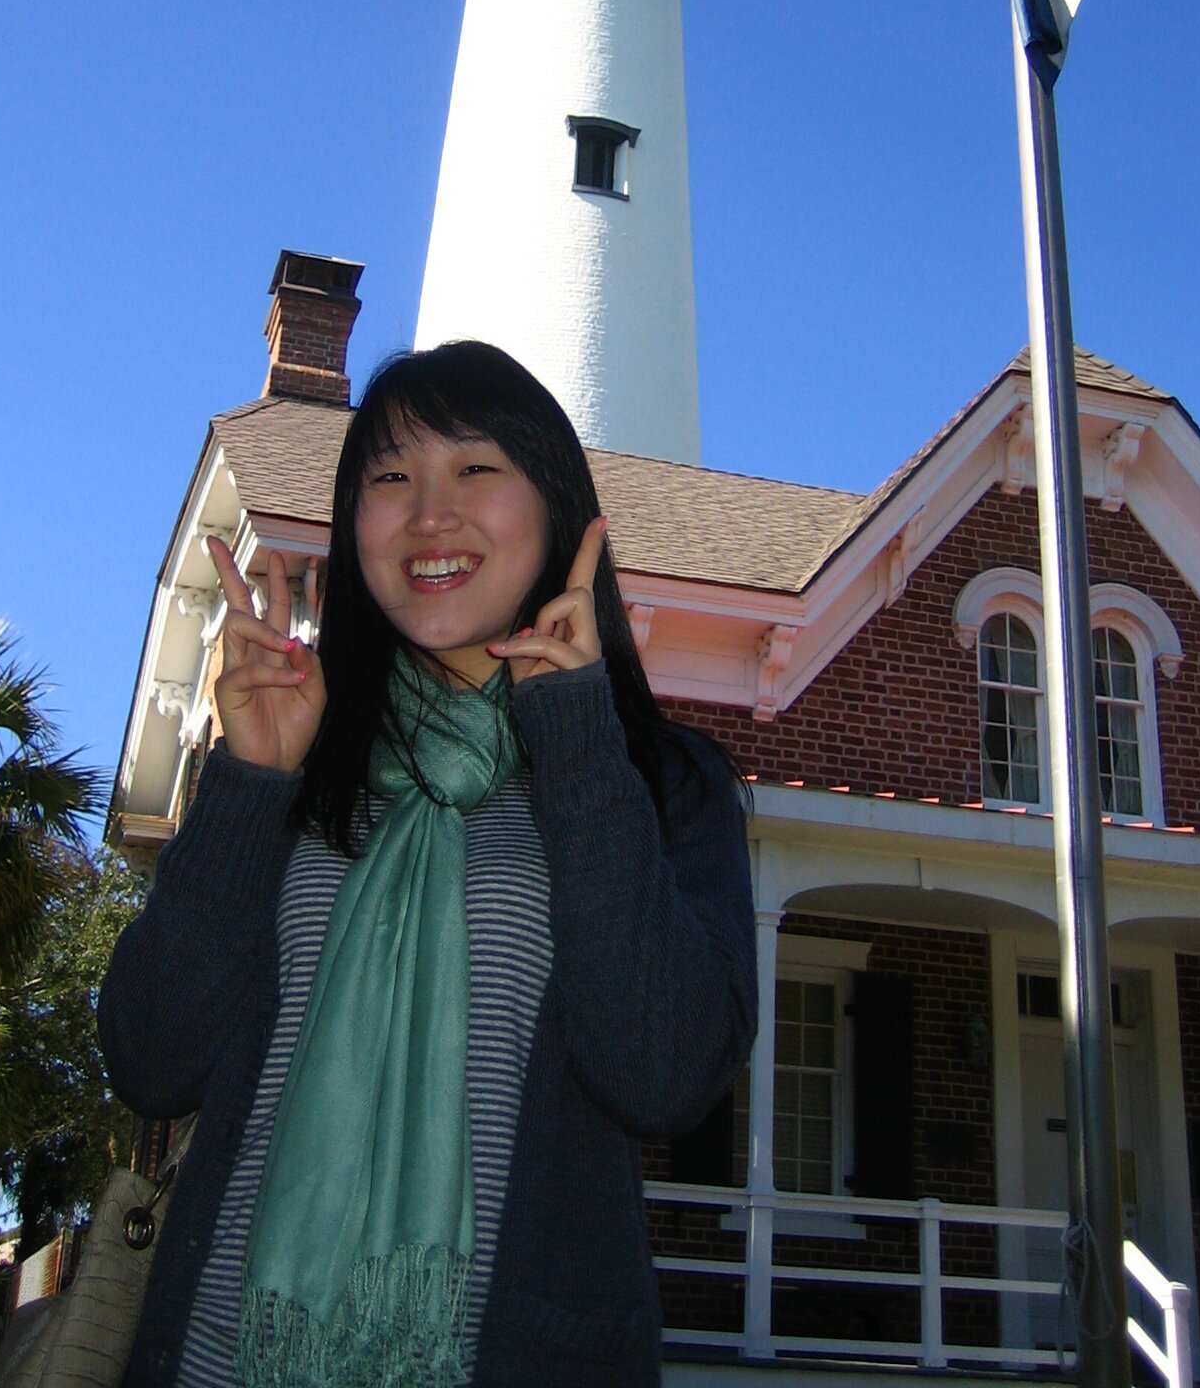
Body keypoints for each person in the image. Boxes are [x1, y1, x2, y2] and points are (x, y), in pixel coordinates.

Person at [99, 341, 757, 1388]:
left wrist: (578, 740)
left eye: (477, 467)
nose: (429, 514)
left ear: (558, 506)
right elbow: (151, 1059)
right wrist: (249, 783)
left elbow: (665, 1074)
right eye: (391, 478)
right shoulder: (297, 754)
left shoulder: (657, 782)